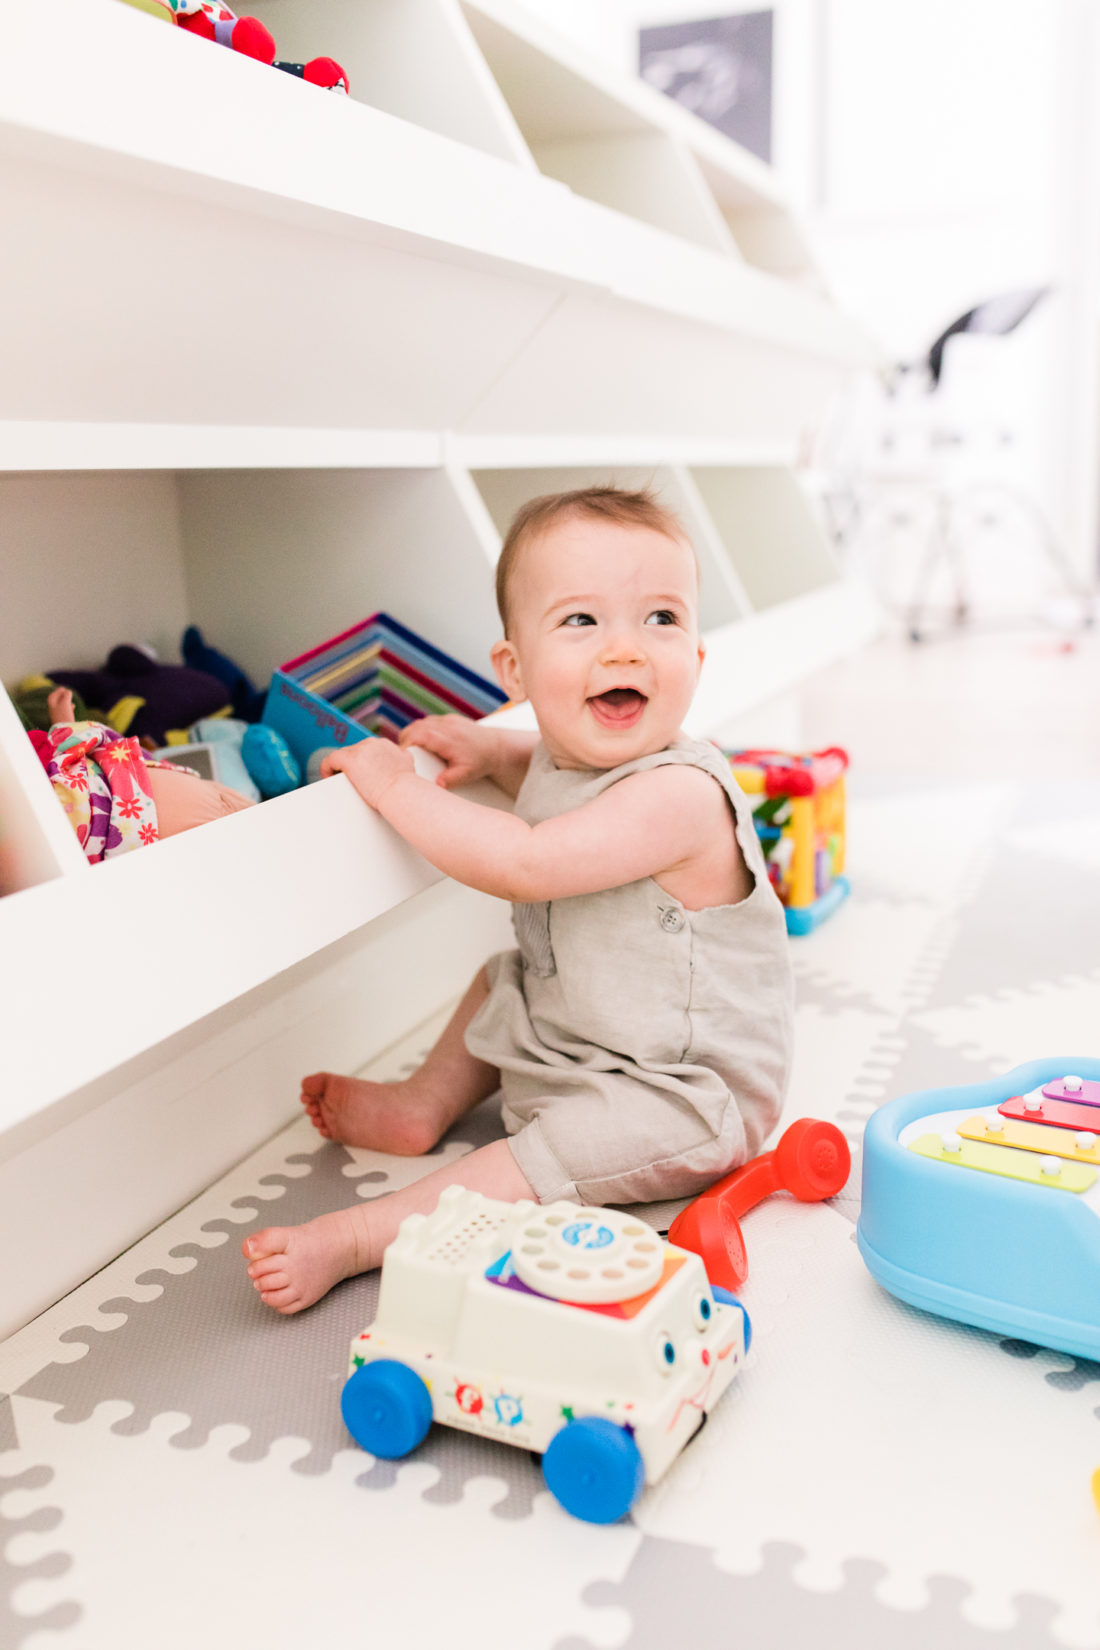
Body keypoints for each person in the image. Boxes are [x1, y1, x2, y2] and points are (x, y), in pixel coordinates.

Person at [243, 486, 794, 1312]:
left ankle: (361, 1237)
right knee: (503, 978)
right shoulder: (573, 752)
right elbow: (546, 756)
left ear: (697, 659)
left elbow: (528, 862)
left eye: (661, 619)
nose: (626, 651)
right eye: (582, 622)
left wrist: (398, 787)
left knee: (530, 1159)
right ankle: (422, 1105)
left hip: (681, 1094)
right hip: (586, 1033)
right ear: (515, 670)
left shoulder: (678, 794)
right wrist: (488, 748)